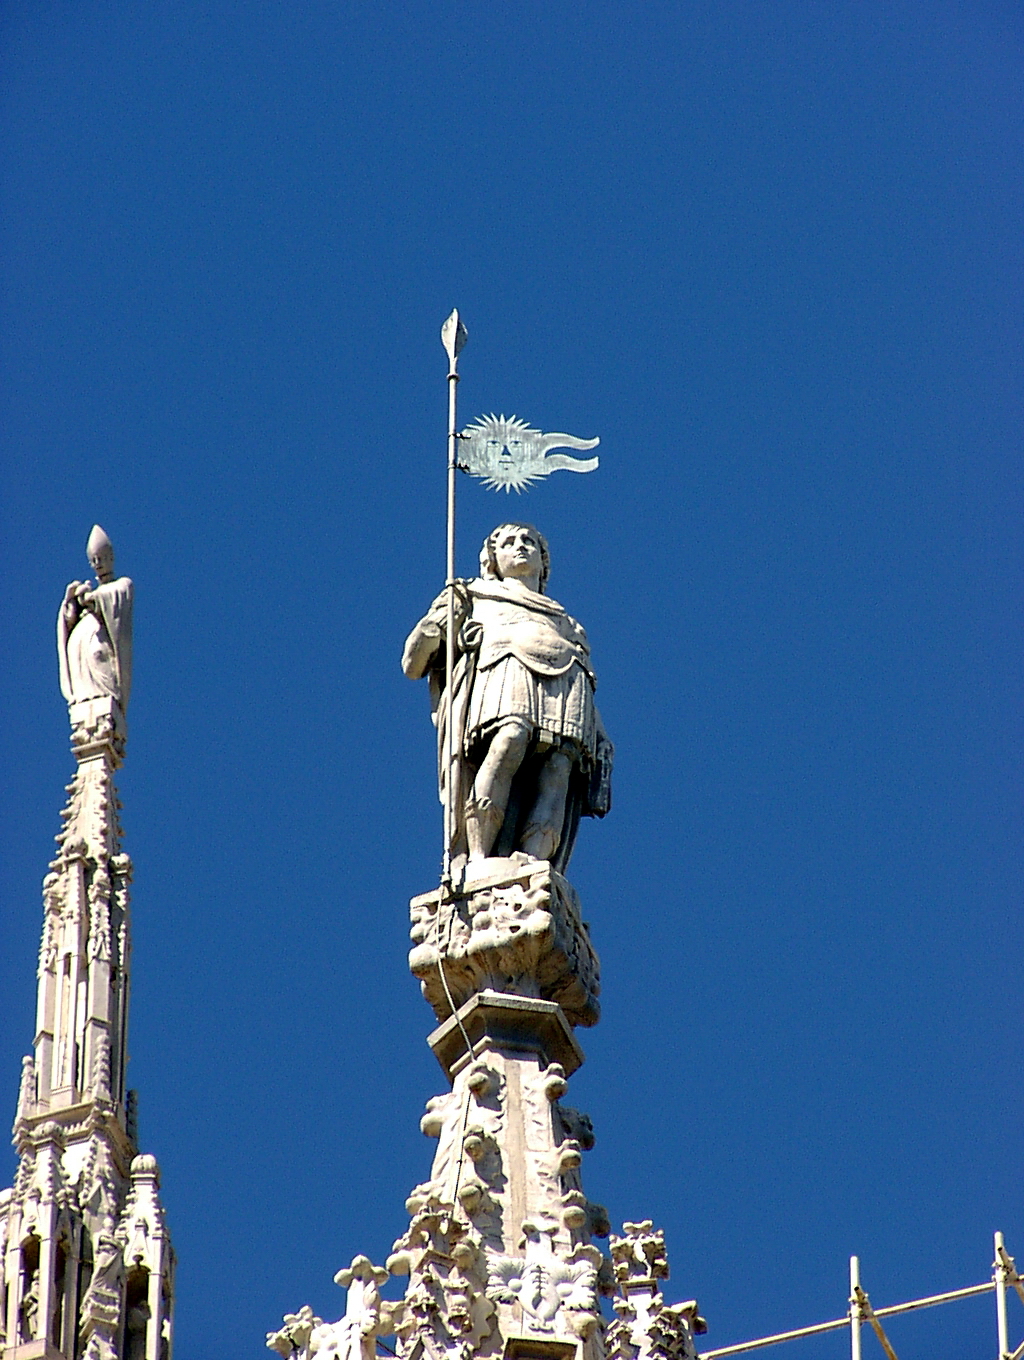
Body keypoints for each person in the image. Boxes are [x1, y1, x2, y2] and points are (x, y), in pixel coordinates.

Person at [402, 523, 612, 872]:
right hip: (504, 671)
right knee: (509, 740)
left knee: (559, 768)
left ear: (544, 561)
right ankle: (478, 857)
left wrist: (601, 736)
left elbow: (588, 679)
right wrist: (439, 627)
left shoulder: (567, 621)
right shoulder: (471, 595)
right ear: (492, 558)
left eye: (529, 541)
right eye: (509, 542)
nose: (520, 546)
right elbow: (412, 664)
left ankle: (534, 862)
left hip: (568, 687)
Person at [57, 525, 133, 710]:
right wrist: (71, 602)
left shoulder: (122, 584)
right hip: (81, 651)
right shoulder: (89, 592)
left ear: (111, 558)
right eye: (94, 560)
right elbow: (69, 621)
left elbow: (115, 596)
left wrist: (91, 598)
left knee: (102, 672)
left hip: (100, 649)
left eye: (102, 558)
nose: (98, 563)